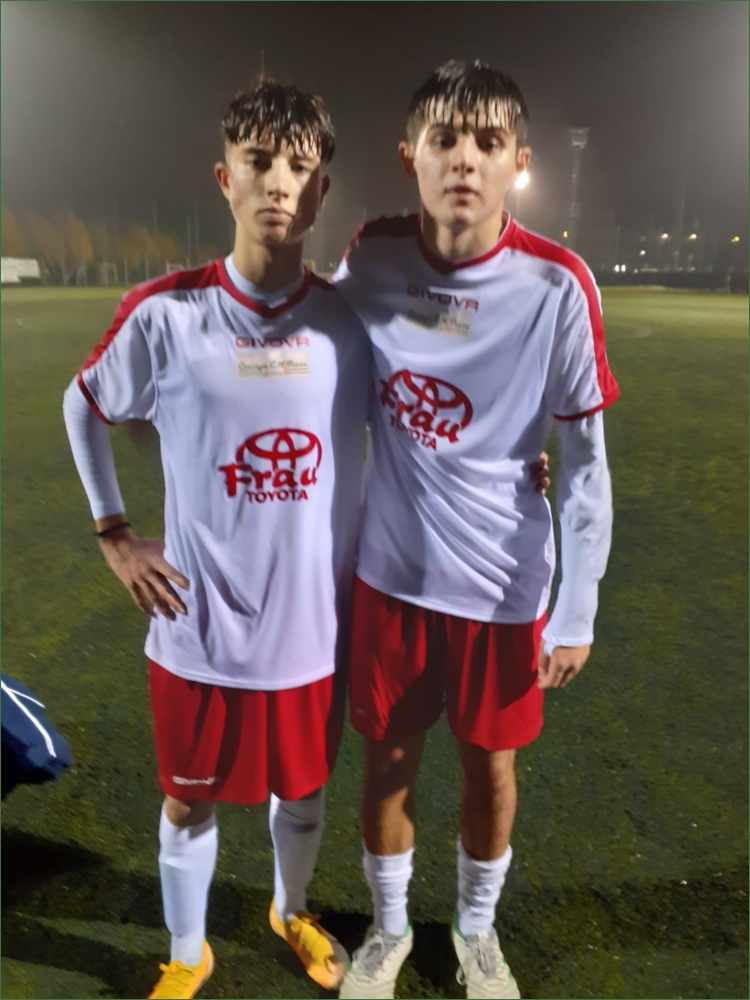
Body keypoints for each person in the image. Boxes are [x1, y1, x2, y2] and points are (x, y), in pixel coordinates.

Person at [63, 80, 371, 1000]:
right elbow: (83, 405)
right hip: (197, 621)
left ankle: (290, 909)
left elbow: (419, 427)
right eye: (258, 163)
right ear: (224, 178)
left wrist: (520, 464)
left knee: (303, 789)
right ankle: (187, 951)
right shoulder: (166, 312)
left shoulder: (347, 323)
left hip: (312, 624)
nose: (278, 182)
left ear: (321, 192)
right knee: (187, 796)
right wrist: (115, 532)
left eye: (299, 168)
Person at [333, 59, 619, 1000]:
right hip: (391, 573)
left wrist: (576, 607)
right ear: (409, 155)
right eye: (445, 140)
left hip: (503, 582)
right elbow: (311, 362)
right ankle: (387, 930)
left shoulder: (556, 286)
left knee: (490, 770)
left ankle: (476, 932)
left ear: (519, 163)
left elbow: (585, 461)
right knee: (388, 763)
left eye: (489, 143)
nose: (465, 160)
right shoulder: (372, 258)